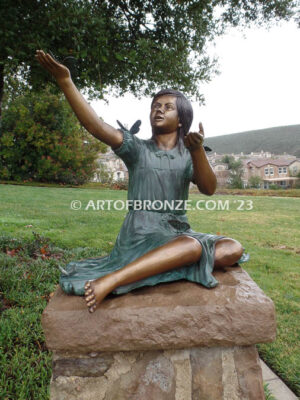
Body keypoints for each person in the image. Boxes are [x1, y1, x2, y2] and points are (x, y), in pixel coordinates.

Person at [36, 50, 246, 313]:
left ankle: (163, 264)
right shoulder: (137, 149)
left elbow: (209, 188)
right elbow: (97, 127)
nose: (159, 110)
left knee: (231, 248)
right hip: (141, 231)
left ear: (181, 119)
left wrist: (197, 150)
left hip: (176, 232)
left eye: (167, 107)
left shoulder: (189, 154)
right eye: (155, 106)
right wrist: (66, 81)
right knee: (193, 246)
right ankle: (112, 279)